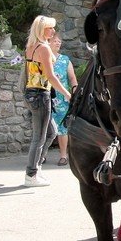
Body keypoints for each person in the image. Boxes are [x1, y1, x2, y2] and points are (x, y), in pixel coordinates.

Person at [23, 16, 72, 187]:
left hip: (32, 93)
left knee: (51, 132)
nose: (52, 31)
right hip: (41, 95)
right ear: (42, 29)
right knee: (40, 136)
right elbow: (51, 76)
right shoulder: (43, 48)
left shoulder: (31, 46)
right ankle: (31, 174)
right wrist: (67, 93)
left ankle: (36, 169)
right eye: (50, 28)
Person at [48, 35, 78, 166]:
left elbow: (72, 78)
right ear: (48, 42)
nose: (58, 43)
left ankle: (63, 156)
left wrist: (75, 90)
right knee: (45, 128)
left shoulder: (65, 60)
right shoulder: (44, 58)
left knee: (62, 128)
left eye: (59, 41)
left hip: (63, 98)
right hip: (46, 97)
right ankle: (41, 155)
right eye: (55, 41)